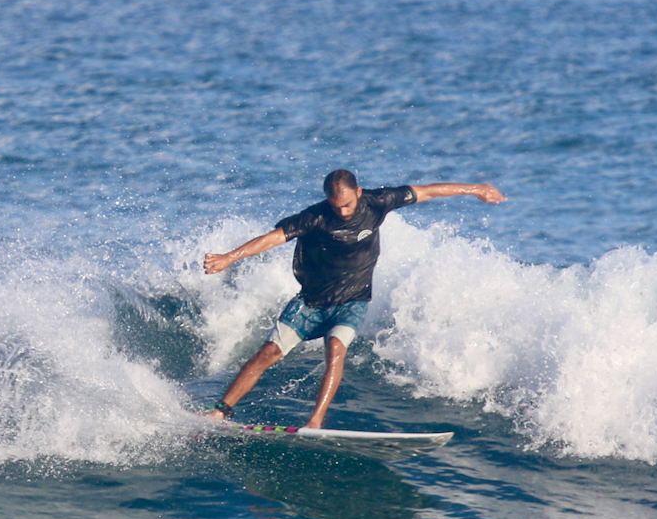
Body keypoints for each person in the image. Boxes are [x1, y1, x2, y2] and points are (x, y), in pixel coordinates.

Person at [202, 169, 507, 429]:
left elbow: (427, 191)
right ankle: (220, 411)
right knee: (267, 352)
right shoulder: (315, 217)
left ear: (358, 193)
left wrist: (476, 189)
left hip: (353, 300)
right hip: (311, 301)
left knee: (336, 348)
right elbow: (274, 237)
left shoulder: (377, 202)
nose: (343, 212)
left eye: (347, 205)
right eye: (336, 207)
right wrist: (230, 257)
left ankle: (315, 422)